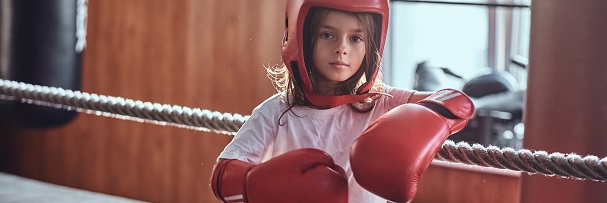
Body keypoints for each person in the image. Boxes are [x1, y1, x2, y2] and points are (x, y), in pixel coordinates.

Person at [210, 0, 474, 203]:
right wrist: (262, 185)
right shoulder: (276, 111)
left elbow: (455, 101)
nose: (341, 48)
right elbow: (223, 177)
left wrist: (431, 117)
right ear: (301, 37)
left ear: (371, 46)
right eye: (327, 35)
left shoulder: (382, 102)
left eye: (355, 38)